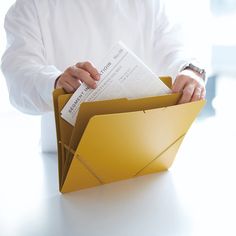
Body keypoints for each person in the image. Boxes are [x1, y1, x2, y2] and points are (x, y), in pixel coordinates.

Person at [1, 0, 206, 152]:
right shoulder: (31, 7)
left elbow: (174, 47)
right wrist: (54, 82)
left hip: (142, 151)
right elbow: (19, 72)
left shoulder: (148, 4)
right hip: (62, 158)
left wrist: (189, 70)